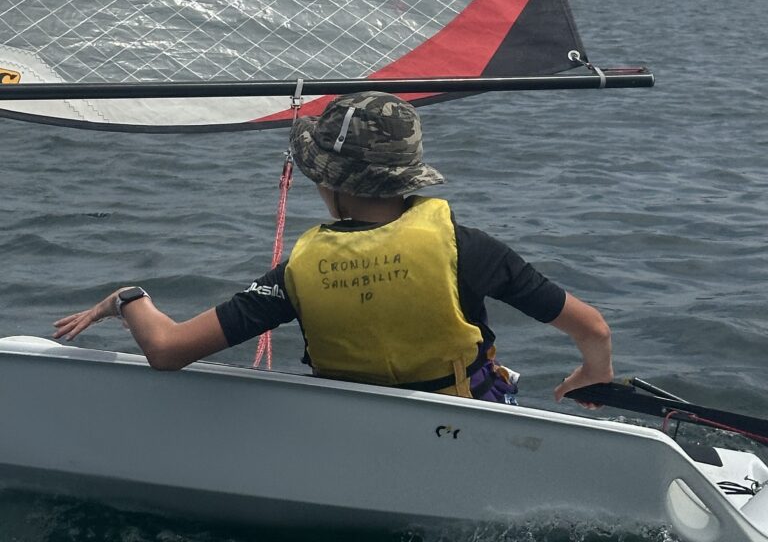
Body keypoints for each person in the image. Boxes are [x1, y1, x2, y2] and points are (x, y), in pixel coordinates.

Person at [54, 91, 613, 406]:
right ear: (409, 176)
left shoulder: (297, 275)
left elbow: (167, 351)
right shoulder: (471, 248)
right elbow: (593, 329)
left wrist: (127, 299)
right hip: (467, 419)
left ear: (327, 181)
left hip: (353, 429)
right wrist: (593, 372)